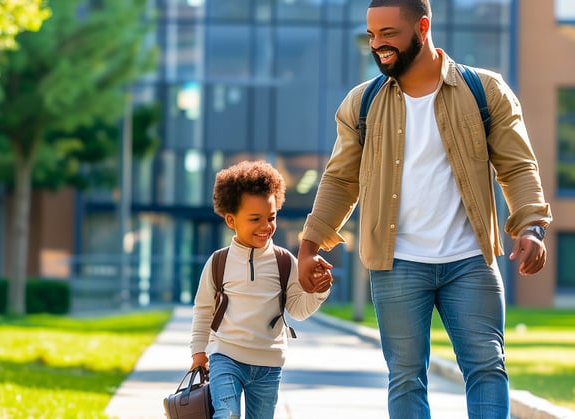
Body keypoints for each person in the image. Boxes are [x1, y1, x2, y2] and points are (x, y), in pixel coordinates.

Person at [296, 0, 553, 418]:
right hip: (395, 263)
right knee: (405, 376)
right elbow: (341, 179)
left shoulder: (484, 91)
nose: (377, 44)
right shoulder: (361, 104)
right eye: (372, 35)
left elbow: (517, 165)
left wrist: (532, 227)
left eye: (389, 34)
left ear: (423, 26)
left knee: (488, 368)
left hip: (470, 260)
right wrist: (310, 245)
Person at [190, 160, 333, 419]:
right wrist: (199, 352)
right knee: (227, 414)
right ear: (231, 220)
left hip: (269, 364)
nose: (266, 226)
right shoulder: (218, 262)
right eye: (255, 219)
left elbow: (297, 311)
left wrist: (318, 291)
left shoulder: (284, 261)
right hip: (225, 357)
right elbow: (203, 311)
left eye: (271, 217)